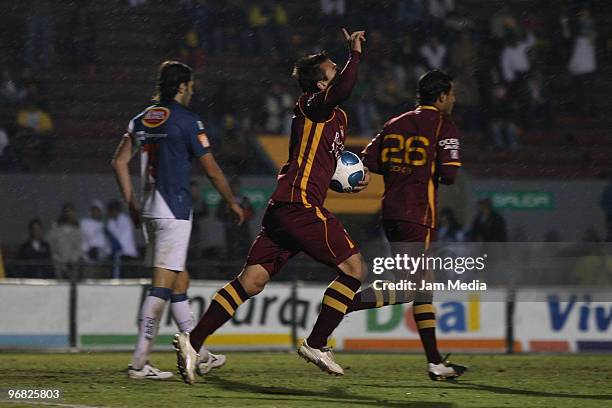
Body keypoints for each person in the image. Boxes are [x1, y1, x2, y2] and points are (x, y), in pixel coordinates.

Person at [173, 28, 369, 384]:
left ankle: (193, 340)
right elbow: (344, 88)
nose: (338, 70)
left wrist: (349, 180)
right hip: (300, 204)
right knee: (354, 267)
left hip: (286, 208)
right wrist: (355, 53)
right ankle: (317, 342)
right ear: (320, 83)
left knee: (252, 280)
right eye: (332, 68)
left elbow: (323, 161)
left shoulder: (336, 116)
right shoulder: (311, 104)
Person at [111, 60, 245, 380]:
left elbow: (118, 161)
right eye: (191, 86)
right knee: (161, 286)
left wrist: (131, 201)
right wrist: (231, 201)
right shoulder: (187, 121)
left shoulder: (141, 118)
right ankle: (139, 362)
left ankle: (200, 353)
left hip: (149, 208)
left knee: (178, 279)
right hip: (173, 209)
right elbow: (211, 169)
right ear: (182, 86)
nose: (193, 91)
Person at [352, 70, 467, 380]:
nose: (454, 100)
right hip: (419, 215)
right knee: (409, 288)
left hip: (391, 212)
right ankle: (342, 305)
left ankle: (435, 362)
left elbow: (370, 161)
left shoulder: (395, 123)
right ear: (441, 96)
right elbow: (450, 175)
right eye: (451, 94)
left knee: (422, 287)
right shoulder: (444, 126)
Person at [47, 203, 82, 280]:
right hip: (58, 265)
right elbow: (51, 246)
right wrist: (59, 260)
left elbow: (79, 248)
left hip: (72, 265)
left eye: (71, 212)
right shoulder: (56, 228)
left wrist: (71, 260)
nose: (69, 214)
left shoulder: (77, 229)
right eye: (67, 211)